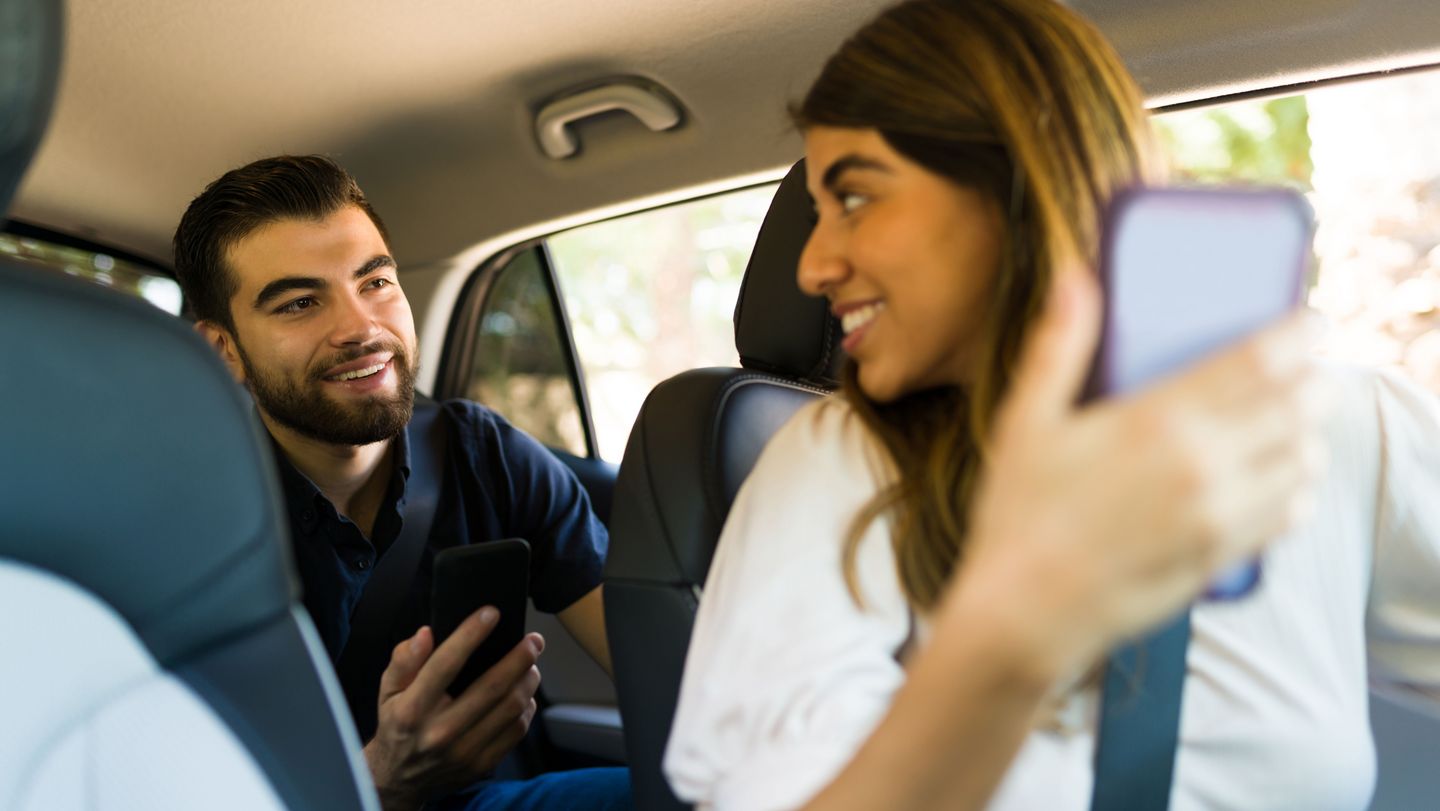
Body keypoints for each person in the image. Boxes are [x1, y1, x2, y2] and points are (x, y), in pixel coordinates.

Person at [664, 0, 1440, 809]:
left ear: (1015, 184)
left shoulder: (1337, 428)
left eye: (854, 198)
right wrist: (1013, 629)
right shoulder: (829, 466)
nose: (813, 266)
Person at [172, 155, 631, 811]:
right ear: (224, 350)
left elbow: (662, 671)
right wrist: (381, 781)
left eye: (376, 282)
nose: (361, 329)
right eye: (301, 302)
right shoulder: (177, 527)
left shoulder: (486, 455)